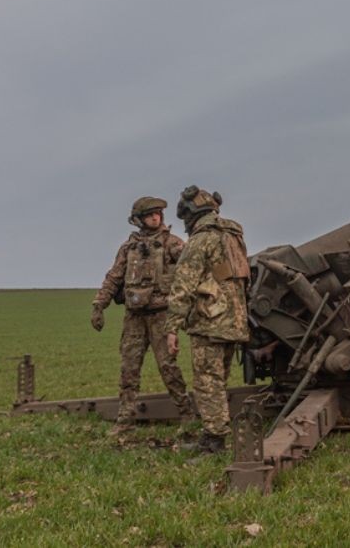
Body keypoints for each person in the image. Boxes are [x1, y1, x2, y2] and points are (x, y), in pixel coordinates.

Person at [92, 196, 195, 434]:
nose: (155, 217)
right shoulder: (128, 248)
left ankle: (187, 414)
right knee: (129, 368)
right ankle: (125, 419)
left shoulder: (172, 243)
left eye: (158, 213)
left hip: (161, 315)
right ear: (138, 220)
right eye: (150, 215)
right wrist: (99, 304)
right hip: (134, 316)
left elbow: (191, 270)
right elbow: (114, 277)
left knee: (168, 368)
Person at [165, 185, 251, 454]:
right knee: (218, 380)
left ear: (191, 214)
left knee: (207, 383)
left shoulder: (201, 240)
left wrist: (171, 328)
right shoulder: (233, 236)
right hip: (235, 320)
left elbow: (183, 285)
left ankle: (215, 442)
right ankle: (211, 434)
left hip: (210, 321)